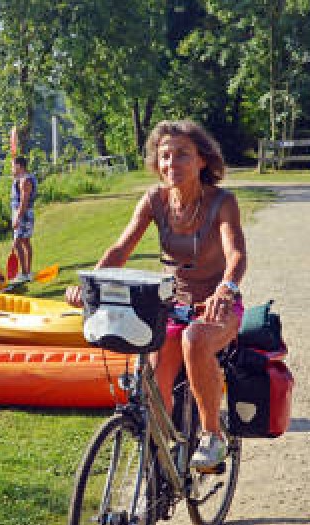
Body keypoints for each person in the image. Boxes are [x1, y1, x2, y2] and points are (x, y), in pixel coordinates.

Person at [65, 120, 246, 472]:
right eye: (165, 156)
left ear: (202, 161)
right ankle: (162, 455)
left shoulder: (222, 202)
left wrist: (227, 287)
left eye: (182, 155)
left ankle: (212, 436)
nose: (171, 164)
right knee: (153, 370)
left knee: (195, 339)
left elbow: (236, 253)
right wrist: (91, 286)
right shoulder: (154, 200)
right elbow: (121, 248)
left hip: (217, 306)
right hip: (173, 306)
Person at [9, 156, 38, 283]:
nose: (12, 169)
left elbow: (24, 201)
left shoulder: (24, 181)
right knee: (25, 242)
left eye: (13, 166)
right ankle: (27, 272)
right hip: (26, 213)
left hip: (23, 214)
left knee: (17, 243)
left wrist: (17, 218)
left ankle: (24, 273)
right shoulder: (24, 178)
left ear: (19, 166)